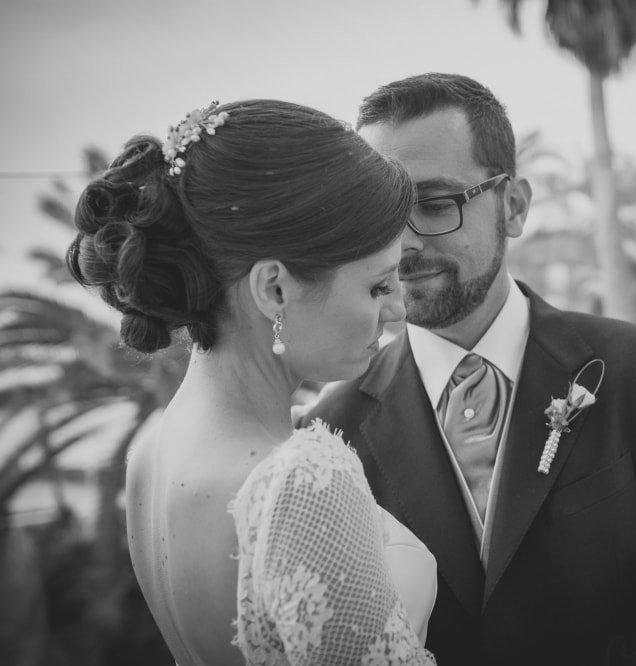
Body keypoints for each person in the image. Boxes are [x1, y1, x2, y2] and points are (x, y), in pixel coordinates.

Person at [298, 73, 636, 665]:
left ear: (513, 206)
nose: (402, 243)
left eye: (436, 204)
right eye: (381, 212)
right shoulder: (331, 433)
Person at [67, 99, 437, 666]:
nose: (398, 312)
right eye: (378, 287)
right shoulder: (302, 480)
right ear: (274, 290)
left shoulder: (152, 451)